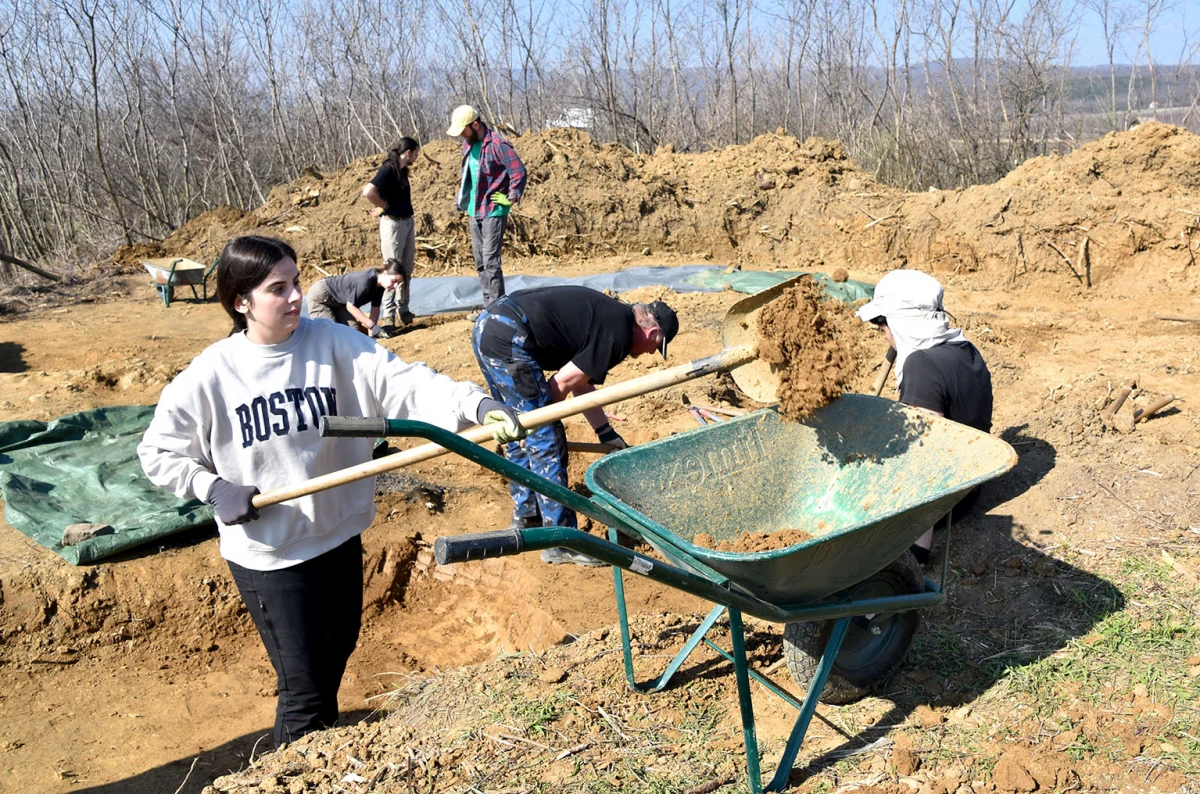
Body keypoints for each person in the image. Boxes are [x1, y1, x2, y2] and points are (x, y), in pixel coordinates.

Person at [137, 235, 523, 747]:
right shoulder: (212, 374)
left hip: (338, 536)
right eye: (279, 288)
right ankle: (287, 776)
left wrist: (472, 405)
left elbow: (403, 382)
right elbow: (157, 452)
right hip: (271, 555)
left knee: (336, 657)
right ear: (241, 302)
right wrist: (211, 487)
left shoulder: (332, 344)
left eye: (296, 282)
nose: (296, 295)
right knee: (306, 694)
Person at [472, 286, 678, 566]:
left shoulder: (611, 316)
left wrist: (605, 432)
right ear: (653, 334)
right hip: (511, 335)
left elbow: (581, 380)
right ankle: (561, 541)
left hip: (489, 326)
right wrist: (539, 423)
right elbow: (562, 384)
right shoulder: (617, 334)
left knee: (514, 426)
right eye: (657, 348)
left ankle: (528, 515)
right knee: (546, 439)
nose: (650, 354)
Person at [855, 269, 993, 563]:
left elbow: (927, 459)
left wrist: (916, 548)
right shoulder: (963, 347)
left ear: (900, 323)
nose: (886, 336)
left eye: (883, 328)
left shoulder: (922, 365)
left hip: (945, 503)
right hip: (971, 484)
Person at [446, 105, 527, 313]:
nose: (461, 136)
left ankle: (498, 309)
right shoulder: (468, 145)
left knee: (491, 262)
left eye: (463, 130)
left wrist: (510, 198)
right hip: (475, 210)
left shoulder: (498, 145)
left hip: (493, 210)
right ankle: (488, 306)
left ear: (475, 125)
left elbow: (518, 172)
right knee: (481, 262)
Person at [361, 137, 420, 327]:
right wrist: (384, 206)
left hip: (407, 222)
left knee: (406, 270)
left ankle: (404, 310)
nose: (417, 156)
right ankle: (389, 316)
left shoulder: (402, 171)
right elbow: (368, 191)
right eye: (416, 152)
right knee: (392, 270)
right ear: (408, 152)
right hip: (393, 225)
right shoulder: (388, 169)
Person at [307, 263, 402, 339]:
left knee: (354, 335)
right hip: (321, 296)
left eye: (398, 283)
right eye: (394, 281)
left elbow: (375, 309)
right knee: (332, 334)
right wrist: (372, 326)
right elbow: (350, 306)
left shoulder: (380, 286)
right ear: (385, 273)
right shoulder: (366, 281)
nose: (395, 286)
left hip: (340, 303)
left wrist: (372, 334)